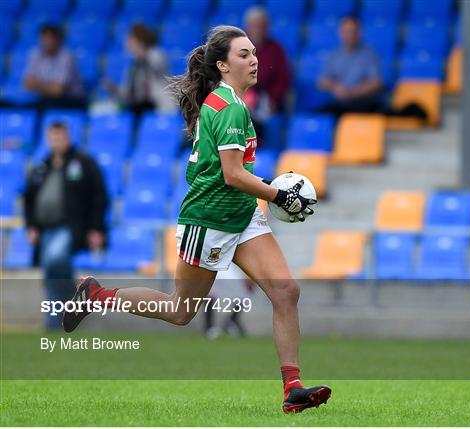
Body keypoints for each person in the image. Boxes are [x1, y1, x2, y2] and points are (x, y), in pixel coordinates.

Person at [62, 25, 331, 414]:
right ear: (222, 65)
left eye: (254, 52)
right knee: (181, 311)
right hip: (208, 220)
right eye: (243, 54)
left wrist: (268, 190)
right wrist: (277, 194)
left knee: (286, 292)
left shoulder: (229, 102)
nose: (254, 59)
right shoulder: (230, 107)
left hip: (240, 213)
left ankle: (293, 387)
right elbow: (231, 175)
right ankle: (97, 295)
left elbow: (235, 175)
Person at [24, 122, 108, 330]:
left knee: (55, 260)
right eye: (53, 137)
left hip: (70, 227)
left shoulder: (83, 163)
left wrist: (96, 227)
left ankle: (70, 303)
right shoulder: (42, 167)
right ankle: (59, 319)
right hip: (45, 229)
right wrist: (31, 226)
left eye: (60, 137)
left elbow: (99, 195)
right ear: (48, 139)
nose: (57, 141)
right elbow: (29, 198)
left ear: (68, 138)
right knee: (51, 272)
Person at [242, 7, 290, 145]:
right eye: (254, 26)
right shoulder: (236, 47)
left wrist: (273, 100)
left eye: (261, 26)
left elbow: (283, 80)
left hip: (264, 100)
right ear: (247, 27)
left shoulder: (276, 50)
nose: (258, 30)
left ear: (267, 27)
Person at [318, 16, 384, 115]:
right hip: (339, 103)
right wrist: (336, 87)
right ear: (340, 33)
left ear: (359, 33)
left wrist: (354, 92)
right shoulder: (334, 54)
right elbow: (322, 81)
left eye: (352, 31)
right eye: (346, 31)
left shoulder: (370, 54)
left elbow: (376, 83)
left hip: (362, 103)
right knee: (320, 115)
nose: (349, 35)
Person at [103, 23, 175, 115]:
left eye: (130, 39)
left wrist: (140, 51)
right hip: (138, 108)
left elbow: (157, 65)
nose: (127, 42)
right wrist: (114, 89)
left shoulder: (156, 54)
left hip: (159, 107)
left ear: (139, 40)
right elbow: (128, 93)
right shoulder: (133, 65)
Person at [23, 24, 85, 108]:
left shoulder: (66, 57)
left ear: (58, 39)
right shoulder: (35, 54)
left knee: (45, 106)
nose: (47, 41)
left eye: (50, 38)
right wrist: (49, 87)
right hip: (46, 99)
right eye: (44, 38)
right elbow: (27, 84)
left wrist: (37, 85)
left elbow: (59, 91)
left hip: (71, 101)